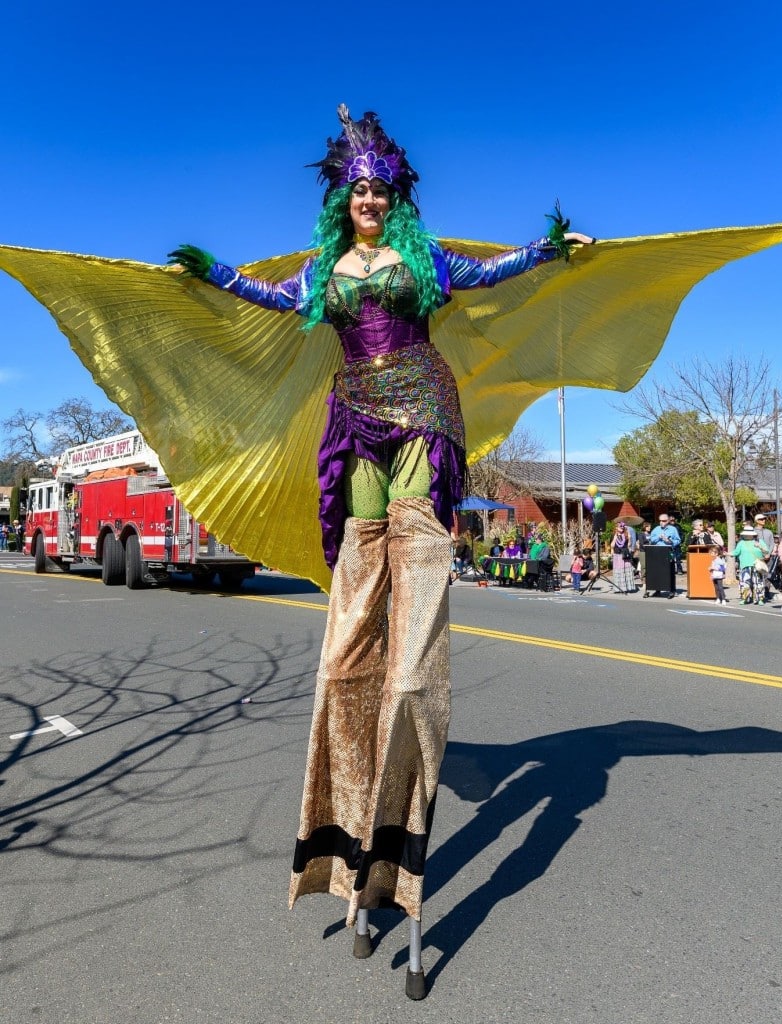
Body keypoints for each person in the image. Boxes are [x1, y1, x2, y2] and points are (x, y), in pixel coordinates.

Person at [168, 106, 595, 934]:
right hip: (354, 418)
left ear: (395, 192)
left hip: (425, 413)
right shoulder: (325, 266)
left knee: (411, 612)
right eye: (357, 188)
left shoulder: (421, 257)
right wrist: (207, 271)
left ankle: (408, 696)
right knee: (353, 609)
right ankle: (346, 821)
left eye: (379, 187)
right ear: (342, 198)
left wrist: (548, 249)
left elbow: (490, 270)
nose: (368, 197)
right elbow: (263, 295)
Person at [732, 526, 768, 605]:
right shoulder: (741, 543)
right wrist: (728, 553)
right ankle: (745, 598)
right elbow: (736, 552)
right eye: (745, 534)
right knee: (745, 582)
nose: (747, 535)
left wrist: (760, 546)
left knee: (758, 582)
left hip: (757, 565)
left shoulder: (759, 541)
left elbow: (766, 551)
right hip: (745, 565)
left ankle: (759, 599)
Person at [648, 514, 680, 596]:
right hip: (658, 552)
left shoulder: (673, 529)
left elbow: (678, 540)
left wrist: (670, 541)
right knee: (658, 572)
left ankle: (672, 590)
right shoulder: (656, 529)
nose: (661, 522)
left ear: (668, 521)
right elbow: (651, 540)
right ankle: (658, 590)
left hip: (669, 552)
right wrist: (659, 537)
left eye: (664, 521)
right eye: (660, 521)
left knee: (670, 572)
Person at [611, 521, 636, 592]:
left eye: (623, 526)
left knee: (626, 571)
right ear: (616, 528)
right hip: (617, 555)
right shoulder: (614, 535)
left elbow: (629, 545)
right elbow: (612, 546)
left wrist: (630, 538)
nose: (622, 527)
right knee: (619, 571)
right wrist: (615, 538)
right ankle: (619, 588)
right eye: (620, 526)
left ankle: (627, 587)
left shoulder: (626, 534)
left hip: (625, 555)